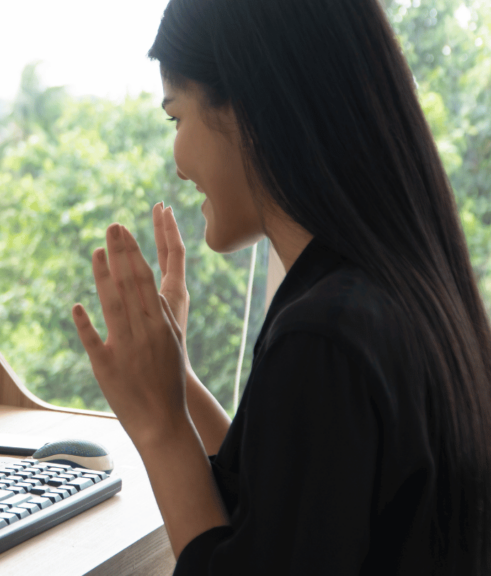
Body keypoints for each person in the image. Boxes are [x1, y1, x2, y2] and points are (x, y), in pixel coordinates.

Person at [71, 0, 491, 573]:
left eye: (177, 117)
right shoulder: (390, 293)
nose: (178, 163)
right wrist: (178, 384)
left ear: (248, 108)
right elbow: (278, 503)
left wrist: (161, 427)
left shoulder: (324, 339)